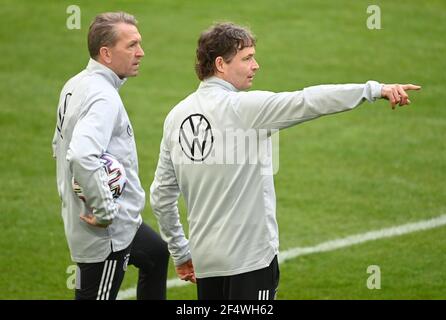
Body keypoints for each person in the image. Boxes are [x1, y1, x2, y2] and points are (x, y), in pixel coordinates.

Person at [149, 22, 421, 300]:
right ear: (221, 63)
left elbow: (160, 196)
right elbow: (308, 101)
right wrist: (373, 89)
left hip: (207, 264)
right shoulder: (244, 109)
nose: (256, 65)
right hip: (251, 260)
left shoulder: (176, 117)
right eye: (248, 58)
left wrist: (181, 252)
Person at [52, 12, 169, 300]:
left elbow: (58, 145)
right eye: (131, 45)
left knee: (156, 255)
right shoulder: (103, 97)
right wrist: (103, 210)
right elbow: (80, 155)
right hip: (105, 234)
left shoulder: (75, 84)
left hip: (122, 222)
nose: (141, 53)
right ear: (106, 53)